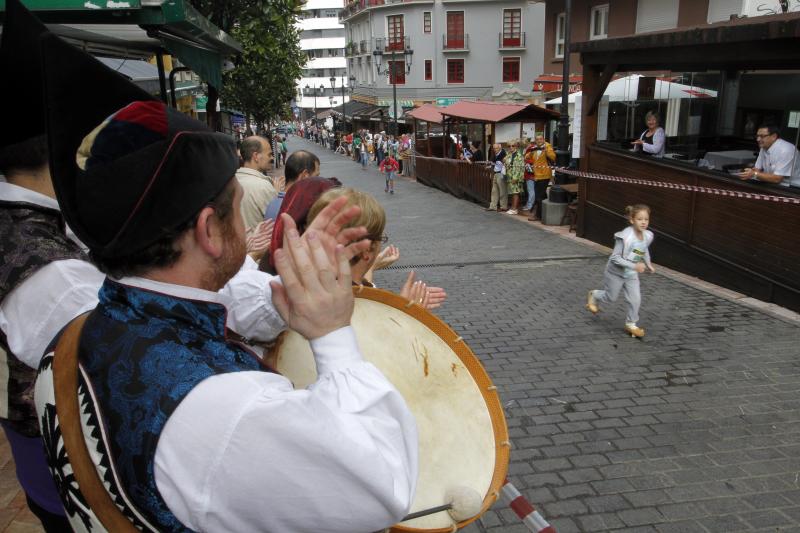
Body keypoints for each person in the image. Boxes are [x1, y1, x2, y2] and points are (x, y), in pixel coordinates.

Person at [35, 81, 418, 533]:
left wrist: (299, 289)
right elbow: (384, 484)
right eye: (238, 209)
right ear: (209, 231)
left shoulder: (72, 333)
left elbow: (240, 301)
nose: (249, 223)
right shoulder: (230, 411)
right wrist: (332, 334)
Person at [586, 204, 656, 338]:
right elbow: (615, 258)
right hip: (615, 273)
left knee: (636, 299)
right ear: (632, 220)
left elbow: (643, 249)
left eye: (646, 219)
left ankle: (631, 323)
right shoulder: (625, 237)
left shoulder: (647, 235)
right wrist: (635, 266)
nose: (643, 222)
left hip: (630, 275)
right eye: (640, 219)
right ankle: (594, 295)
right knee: (610, 298)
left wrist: (648, 264)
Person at [236, 135, 279, 231]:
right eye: (269, 154)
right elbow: (277, 222)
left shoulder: (233, 181)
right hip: (260, 243)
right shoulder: (263, 186)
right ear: (256, 156)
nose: (271, 158)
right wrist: (277, 195)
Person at [264, 150, 320, 221]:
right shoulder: (298, 208)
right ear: (305, 175)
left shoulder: (273, 203)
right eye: (316, 176)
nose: (319, 180)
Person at [523, 134, 556, 221]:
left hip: (544, 175)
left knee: (539, 195)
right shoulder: (534, 148)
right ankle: (545, 213)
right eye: (537, 139)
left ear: (543, 139)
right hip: (537, 175)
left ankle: (538, 215)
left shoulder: (548, 146)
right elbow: (527, 156)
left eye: (541, 139)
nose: (539, 141)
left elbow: (553, 157)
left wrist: (546, 150)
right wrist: (528, 154)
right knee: (543, 195)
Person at [503, 139, 525, 215]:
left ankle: (514, 209)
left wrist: (515, 178)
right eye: (509, 146)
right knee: (512, 193)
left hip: (516, 177)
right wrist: (505, 160)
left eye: (513, 146)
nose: (511, 147)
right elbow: (507, 165)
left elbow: (519, 167)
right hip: (510, 176)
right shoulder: (509, 155)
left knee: (515, 192)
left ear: (516, 146)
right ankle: (512, 207)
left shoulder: (519, 155)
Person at [486, 143, 508, 212]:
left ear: (500, 148)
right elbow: (494, 164)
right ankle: (493, 206)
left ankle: (503, 206)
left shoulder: (503, 154)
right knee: (494, 191)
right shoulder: (496, 154)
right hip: (496, 173)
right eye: (494, 148)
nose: (495, 150)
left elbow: (505, 164)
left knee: (502, 191)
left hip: (501, 173)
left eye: (496, 148)